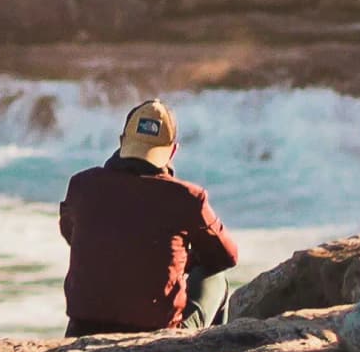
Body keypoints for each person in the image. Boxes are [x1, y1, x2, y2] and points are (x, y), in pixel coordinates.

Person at [57, 97, 241, 336]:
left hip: (83, 330)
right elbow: (226, 256)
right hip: (155, 335)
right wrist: (183, 260)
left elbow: (72, 233)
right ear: (173, 150)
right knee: (216, 278)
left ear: (122, 141)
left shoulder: (82, 185)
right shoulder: (187, 197)